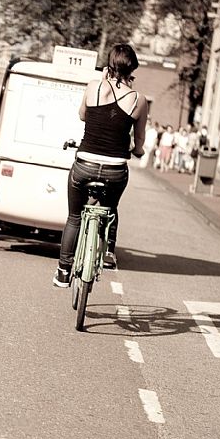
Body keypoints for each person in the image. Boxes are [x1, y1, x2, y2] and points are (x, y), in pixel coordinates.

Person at [54, 43, 148, 286]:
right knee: (111, 206)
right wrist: (136, 151)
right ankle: (108, 252)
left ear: (109, 67)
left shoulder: (94, 87)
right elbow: (138, 143)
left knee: (74, 217)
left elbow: (83, 115)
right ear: (132, 70)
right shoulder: (139, 100)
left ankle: (63, 271)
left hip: (84, 164)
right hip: (115, 169)